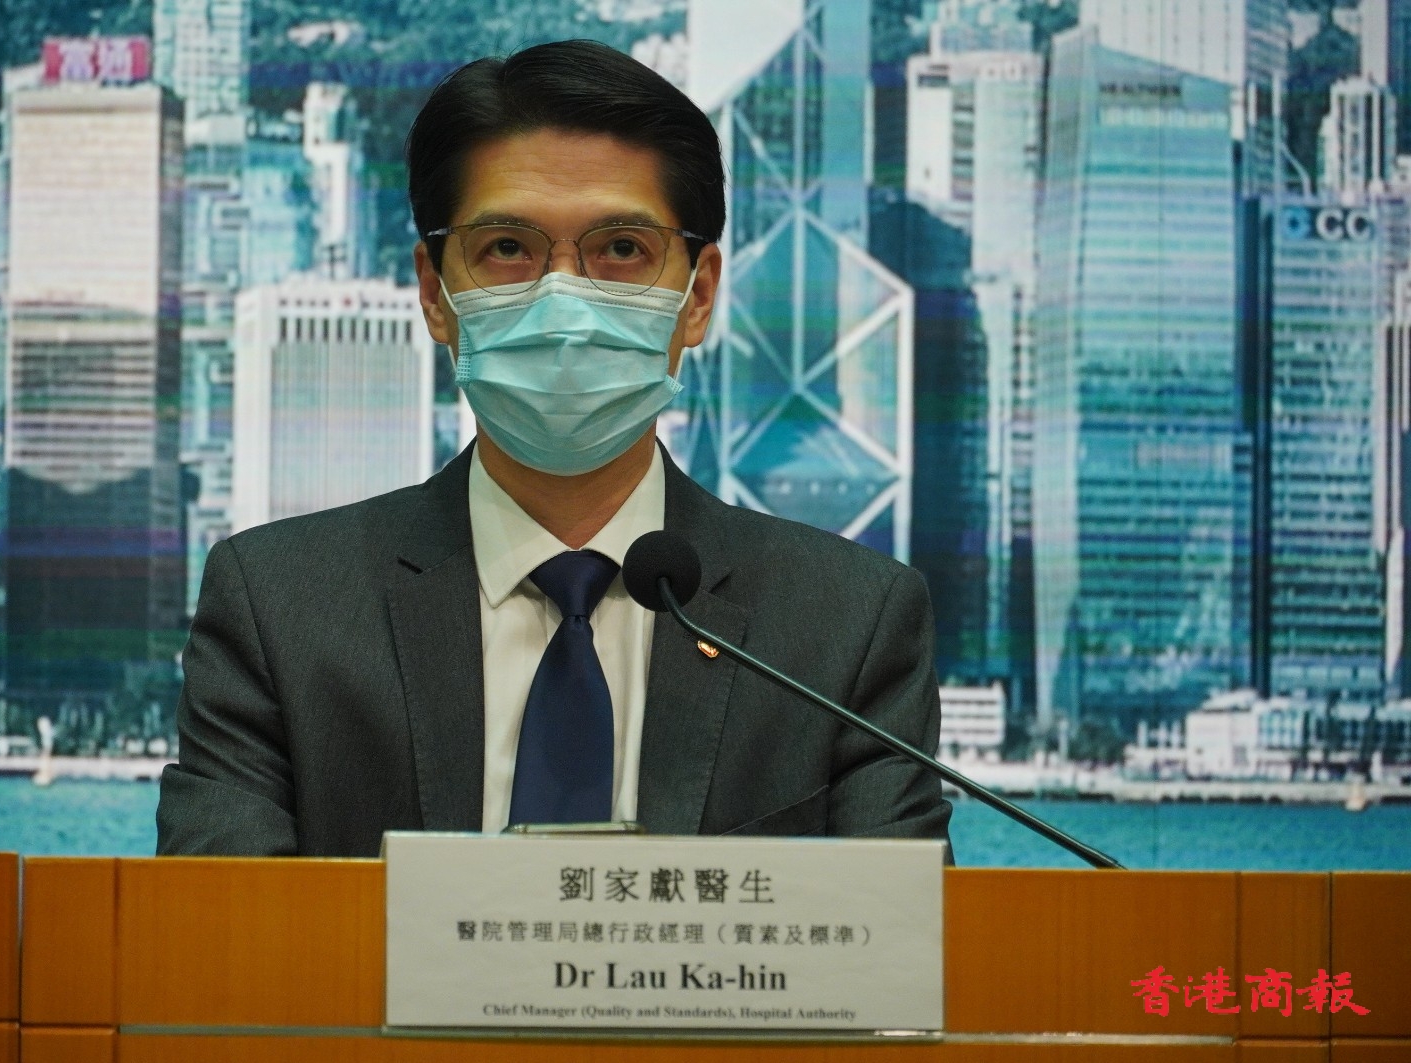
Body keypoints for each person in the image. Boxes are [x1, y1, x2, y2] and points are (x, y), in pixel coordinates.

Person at [156, 39, 953, 856]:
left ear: (698, 297)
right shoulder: (281, 610)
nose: (563, 300)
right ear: (434, 292)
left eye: (622, 250)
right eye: (508, 249)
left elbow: (895, 930)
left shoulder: (845, 628)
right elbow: (221, 926)